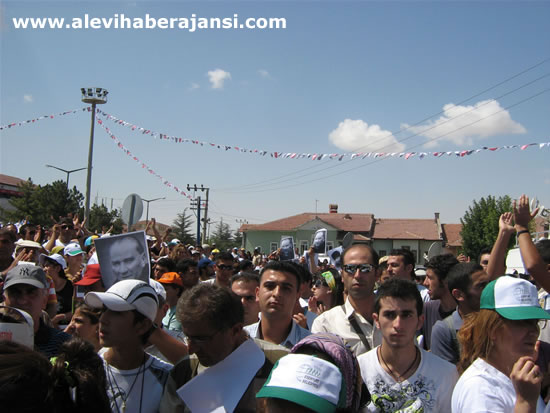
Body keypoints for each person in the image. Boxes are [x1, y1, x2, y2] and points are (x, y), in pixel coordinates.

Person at [159, 283, 289, 413]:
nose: (191, 349)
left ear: (235, 330)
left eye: (201, 339)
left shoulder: (282, 366)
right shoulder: (184, 371)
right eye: (188, 338)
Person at [452, 276, 550, 412]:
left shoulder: (516, 378)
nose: (533, 331)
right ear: (492, 329)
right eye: (522, 322)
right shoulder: (479, 388)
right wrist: (525, 402)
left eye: (535, 322)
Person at [358, 278, 458, 412]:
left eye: (406, 315)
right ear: (377, 320)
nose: (398, 325)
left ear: (420, 321)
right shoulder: (358, 371)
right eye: (390, 315)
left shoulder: (446, 374)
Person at [85, 279, 172, 413]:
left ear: (143, 325)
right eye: (104, 310)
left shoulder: (166, 378)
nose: (103, 319)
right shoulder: (85, 371)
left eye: (116, 312)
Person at [311, 244, 382, 356]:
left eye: (365, 268)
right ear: (342, 275)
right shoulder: (325, 324)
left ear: (377, 273)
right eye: (350, 268)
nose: (358, 275)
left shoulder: (397, 318)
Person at [2, 264, 70, 356]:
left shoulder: (65, 346)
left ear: (44, 300)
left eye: (31, 292)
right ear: (4, 299)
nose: (23, 301)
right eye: (15, 292)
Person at [431, 262, 490, 364]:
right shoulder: (445, 330)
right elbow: (448, 375)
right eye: (481, 286)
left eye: (489, 284)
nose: (489, 291)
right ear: (458, 294)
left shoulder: (496, 322)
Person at [244, 261, 311, 348]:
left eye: (286, 288)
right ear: (257, 293)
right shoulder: (239, 341)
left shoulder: (311, 346)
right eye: (269, 286)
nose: (277, 293)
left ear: (297, 296)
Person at [421, 253, 459, 350]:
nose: (425, 283)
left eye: (430, 278)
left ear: (445, 281)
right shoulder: (427, 309)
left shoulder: (467, 313)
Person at [40, 253, 73, 328]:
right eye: (43, 266)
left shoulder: (71, 286)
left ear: (58, 268)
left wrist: (61, 317)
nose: (44, 269)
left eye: (47, 266)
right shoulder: (43, 286)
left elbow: (78, 309)